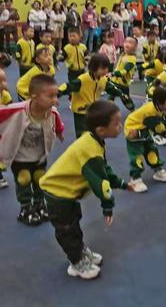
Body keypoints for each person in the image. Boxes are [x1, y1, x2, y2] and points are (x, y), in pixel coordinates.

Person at [41, 100, 135, 280]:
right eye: (116, 124)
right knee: (66, 229)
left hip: (67, 194)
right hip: (58, 193)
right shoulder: (90, 149)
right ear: (101, 130)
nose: (120, 125)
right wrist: (108, 207)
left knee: (73, 222)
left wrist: (122, 183)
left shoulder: (93, 140)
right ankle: (76, 262)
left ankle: (80, 251)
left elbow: (104, 170)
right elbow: (100, 184)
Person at [0, 74, 64, 225]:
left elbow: (57, 124)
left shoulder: (52, 111)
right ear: (34, 97)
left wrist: (60, 132)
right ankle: (26, 208)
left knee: (39, 178)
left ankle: (39, 204)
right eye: (50, 96)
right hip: (20, 155)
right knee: (24, 179)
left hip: (39, 154)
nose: (55, 100)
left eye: (56, 96)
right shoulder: (16, 111)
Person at [58, 54, 129, 138]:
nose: (106, 71)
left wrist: (121, 94)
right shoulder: (83, 80)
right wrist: (57, 92)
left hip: (93, 110)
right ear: (93, 67)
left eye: (107, 68)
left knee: (93, 131)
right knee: (83, 134)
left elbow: (111, 88)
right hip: (81, 111)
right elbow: (68, 86)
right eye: (103, 68)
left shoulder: (103, 79)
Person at [125, 82, 166, 193]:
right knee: (137, 155)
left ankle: (158, 171)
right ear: (161, 101)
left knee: (151, 150)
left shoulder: (160, 108)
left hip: (144, 129)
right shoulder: (150, 111)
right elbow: (157, 127)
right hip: (133, 129)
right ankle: (135, 179)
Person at [108, 37, 137, 110]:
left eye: (130, 43)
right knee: (111, 95)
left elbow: (125, 71)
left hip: (123, 84)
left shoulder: (132, 59)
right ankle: (107, 111)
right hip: (114, 81)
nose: (127, 44)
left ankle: (133, 110)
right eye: (126, 42)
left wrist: (113, 73)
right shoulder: (123, 54)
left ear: (135, 47)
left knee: (126, 99)